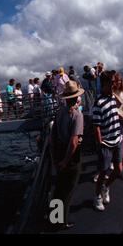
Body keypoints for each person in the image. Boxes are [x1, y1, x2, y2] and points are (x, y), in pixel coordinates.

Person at [50, 80, 85, 230]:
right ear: (77, 97)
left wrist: (56, 158)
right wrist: (65, 161)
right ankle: (61, 223)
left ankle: (53, 217)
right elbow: (74, 142)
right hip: (69, 158)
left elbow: (54, 135)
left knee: (58, 189)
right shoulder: (77, 115)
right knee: (67, 191)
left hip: (59, 152)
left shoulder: (60, 112)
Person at [93, 71, 123, 211]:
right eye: (111, 82)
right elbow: (96, 126)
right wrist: (100, 143)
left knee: (118, 169)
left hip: (117, 138)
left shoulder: (113, 97)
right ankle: (97, 196)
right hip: (106, 142)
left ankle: (106, 187)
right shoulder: (98, 103)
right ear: (104, 83)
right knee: (103, 171)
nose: (114, 84)